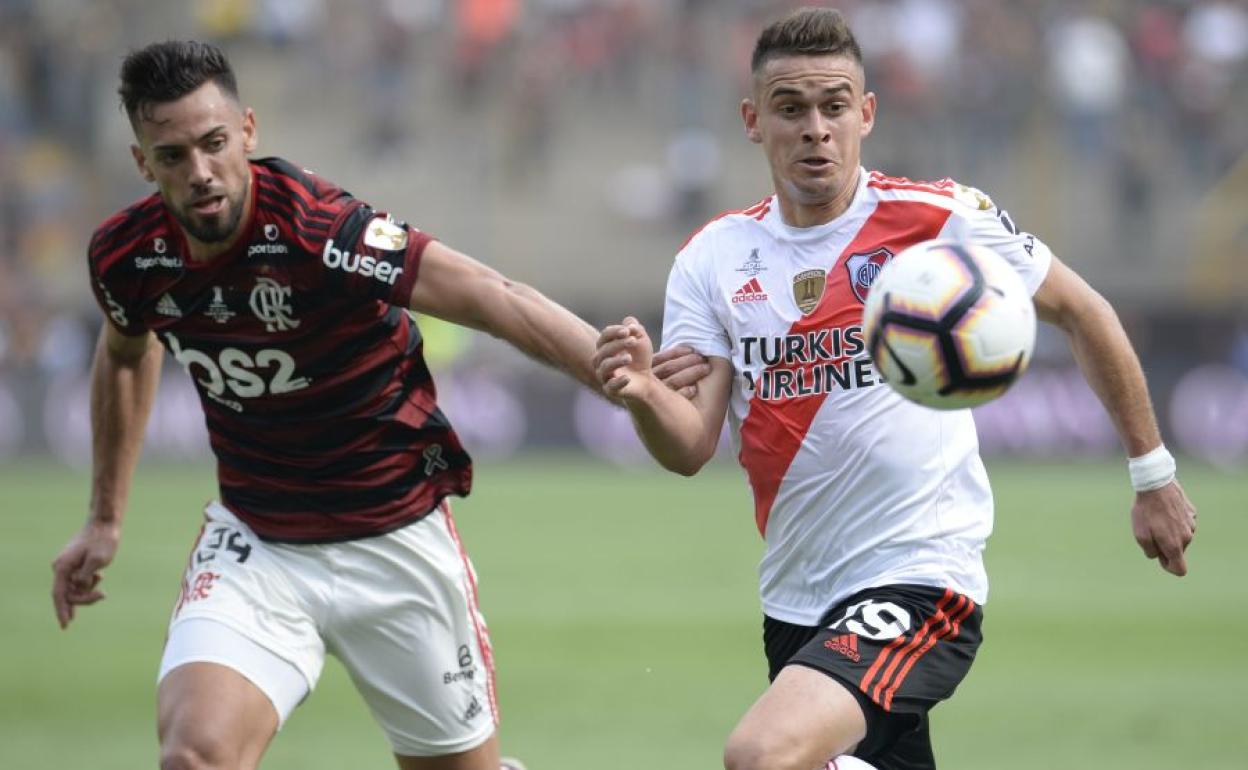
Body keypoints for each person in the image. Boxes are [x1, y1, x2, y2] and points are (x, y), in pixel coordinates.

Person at [593, 8, 1198, 770]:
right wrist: (646, 392)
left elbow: (1084, 311)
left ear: (866, 114)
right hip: (796, 599)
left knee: (763, 755)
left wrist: (1153, 473)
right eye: (791, 109)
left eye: (833, 106)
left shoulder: (940, 219)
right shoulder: (713, 259)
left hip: (920, 578)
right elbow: (688, 447)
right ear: (753, 120)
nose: (815, 127)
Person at [49, 40, 615, 770]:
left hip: (394, 539)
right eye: (173, 156)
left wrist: (619, 378)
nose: (200, 173)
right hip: (258, 546)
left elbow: (490, 296)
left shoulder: (320, 229)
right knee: (195, 756)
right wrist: (104, 516)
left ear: (248, 131)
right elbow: (127, 356)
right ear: (142, 163)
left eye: (215, 144)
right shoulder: (127, 257)